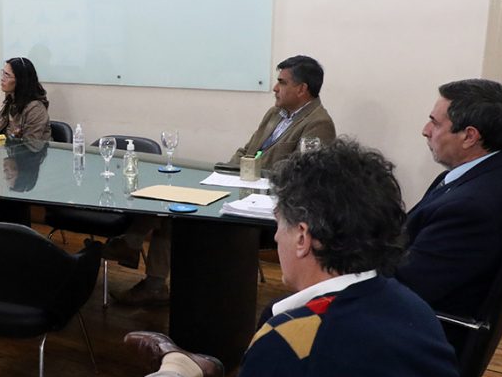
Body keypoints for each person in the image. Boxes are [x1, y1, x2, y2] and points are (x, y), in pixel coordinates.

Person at [82, 138, 460, 377]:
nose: (275, 236)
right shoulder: (413, 310)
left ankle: (178, 371)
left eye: (278, 223)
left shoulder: (289, 343)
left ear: (302, 238)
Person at [105, 55, 336, 305]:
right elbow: (247, 150)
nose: (274, 88)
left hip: (269, 207)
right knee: (174, 203)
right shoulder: (275, 113)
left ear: (302, 89)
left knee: (179, 217)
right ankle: (148, 275)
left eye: (282, 82)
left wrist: (248, 171)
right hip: (240, 188)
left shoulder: (319, 123)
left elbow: (303, 176)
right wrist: (225, 173)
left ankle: (134, 250)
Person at [395, 79, 502, 324]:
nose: (426, 130)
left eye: (435, 123)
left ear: (469, 136)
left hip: (416, 327)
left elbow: (406, 287)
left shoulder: (470, 207)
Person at [0, 57, 50, 142]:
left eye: (7, 75)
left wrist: (11, 138)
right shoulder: (11, 102)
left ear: (21, 80)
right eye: (3, 73)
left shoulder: (35, 109)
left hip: (28, 150)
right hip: (7, 149)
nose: (2, 79)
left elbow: (30, 144)